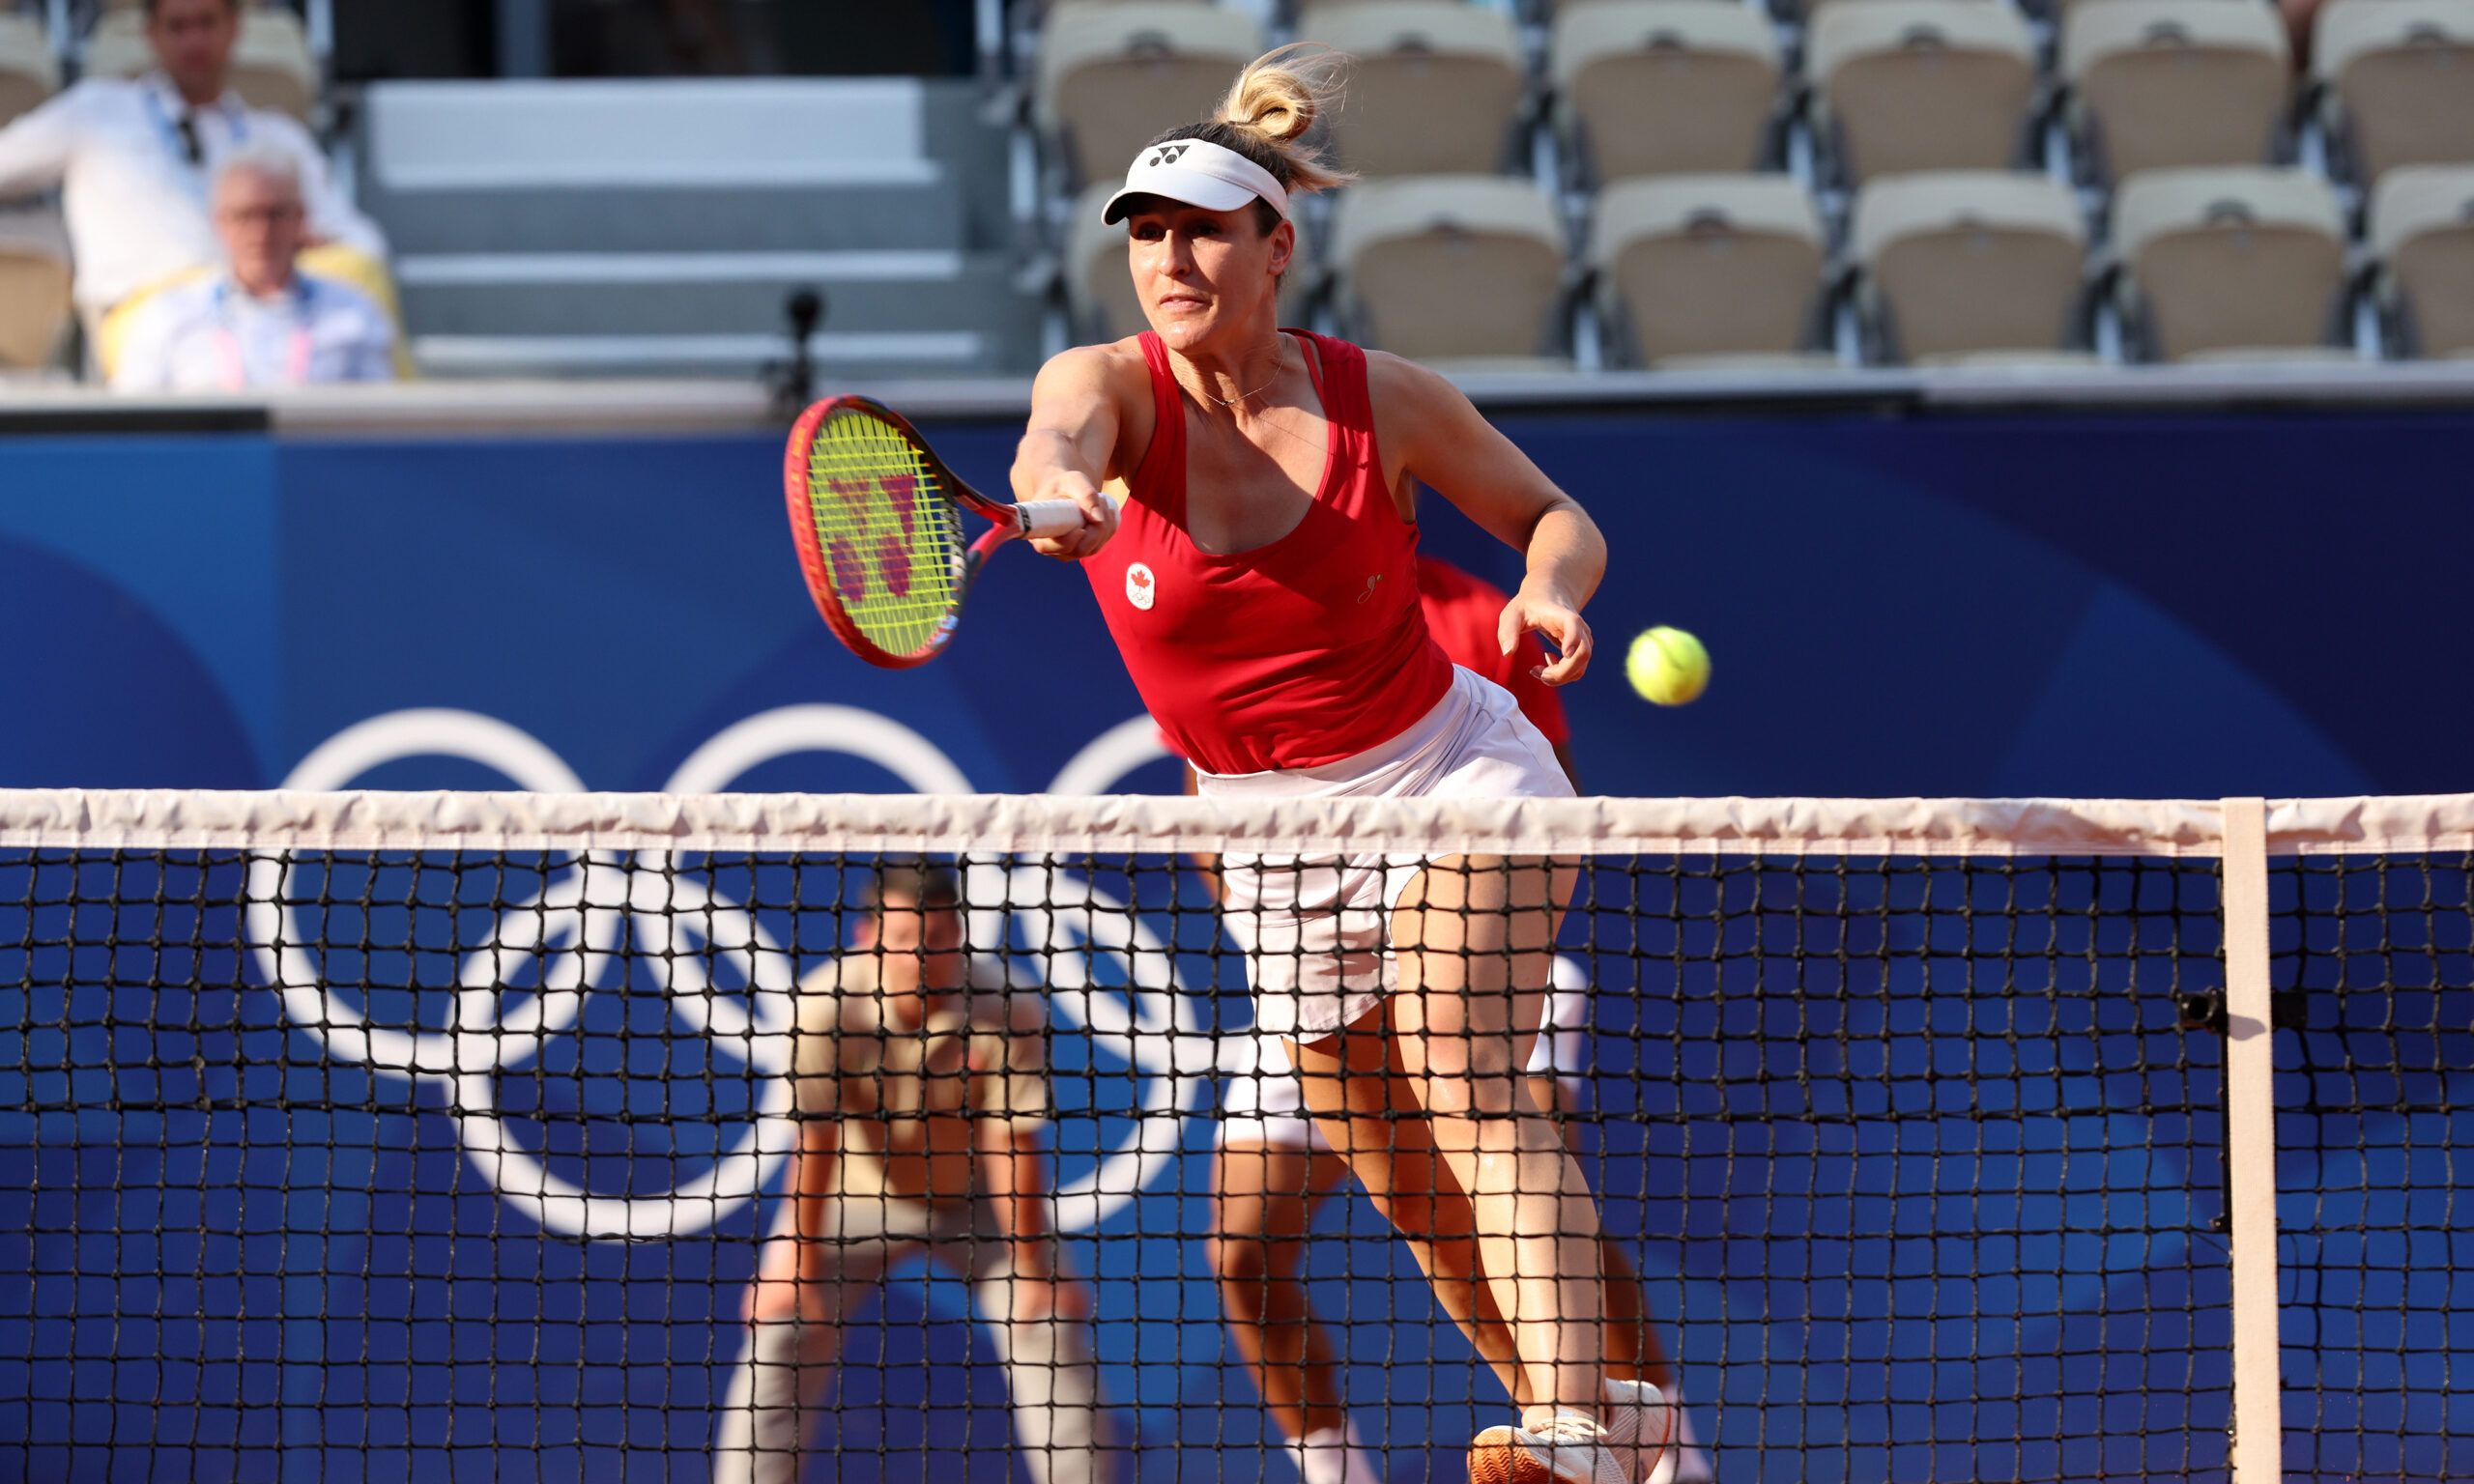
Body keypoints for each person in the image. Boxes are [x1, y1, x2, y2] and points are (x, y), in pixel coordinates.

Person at [1008, 43, 1667, 1484]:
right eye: (1148, 234)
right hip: (1266, 841)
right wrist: (1056, 495)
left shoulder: (1389, 400)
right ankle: (1643, 1441)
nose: (1170, 257)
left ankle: (1563, 1422)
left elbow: (1554, 513)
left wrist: (1551, 594)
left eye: (1201, 230)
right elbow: (1058, 440)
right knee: (1409, 1191)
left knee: (1470, 1080)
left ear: (1274, 245)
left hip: (1449, 773)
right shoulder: (1104, 386)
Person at [1207, 557, 1718, 1484]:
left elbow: (1544, 792)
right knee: (1245, 1250)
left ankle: (1664, 1453)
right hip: (1312, 937)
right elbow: (1216, 820)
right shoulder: (1244, 618)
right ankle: (1582, 1433)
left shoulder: (1484, 613)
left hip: (1462, 922)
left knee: (1516, 1178)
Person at [715, 864, 1123, 1484]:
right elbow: (815, 1143)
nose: (922, 956)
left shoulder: (1008, 1005)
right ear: (868, 934)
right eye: (905, 939)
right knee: (781, 1322)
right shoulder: (824, 1009)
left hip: (974, 1202)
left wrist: (1035, 1268)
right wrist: (795, 1262)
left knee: (1047, 1321)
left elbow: (1011, 1146)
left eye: (938, 939)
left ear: (957, 935)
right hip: (855, 1198)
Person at [0, 0, 388, 371]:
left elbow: (361, 241)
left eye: (206, 23)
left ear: (234, 28)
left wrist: (300, 237)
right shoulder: (95, 112)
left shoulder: (277, 136)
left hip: (270, 315)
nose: (194, 41)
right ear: (151, 35)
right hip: (153, 313)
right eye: (178, 26)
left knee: (358, 273)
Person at [109, 146, 395, 391]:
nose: (261, 233)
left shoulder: (354, 312)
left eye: (276, 214)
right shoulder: (167, 315)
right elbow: (131, 430)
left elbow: (381, 425)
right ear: (219, 223)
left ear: (301, 219)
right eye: (244, 216)